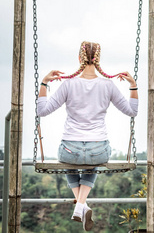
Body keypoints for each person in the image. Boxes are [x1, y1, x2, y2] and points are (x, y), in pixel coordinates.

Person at [37, 41, 138, 231]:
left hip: (70, 150)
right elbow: (132, 111)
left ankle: (80, 205)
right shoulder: (108, 86)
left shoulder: (68, 85)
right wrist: (133, 85)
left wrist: (44, 82)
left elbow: (42, 111)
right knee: (91, 161)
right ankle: (81, 206)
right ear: (98, 59)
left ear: (79, 58)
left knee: (70, 161)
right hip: (98, 150)